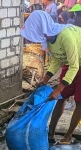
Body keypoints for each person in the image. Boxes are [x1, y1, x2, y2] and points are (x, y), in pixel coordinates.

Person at [21, 10, 81, 144]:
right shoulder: (49, 39)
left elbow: (74, 66)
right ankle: (51, 133)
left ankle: (68, 136)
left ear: (41, 28)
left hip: (76, 63)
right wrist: (45, 79)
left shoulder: (65, 36)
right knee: (61, 98)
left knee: (79, 101)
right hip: (71, 63)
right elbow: (56, 60)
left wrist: (58, 88)